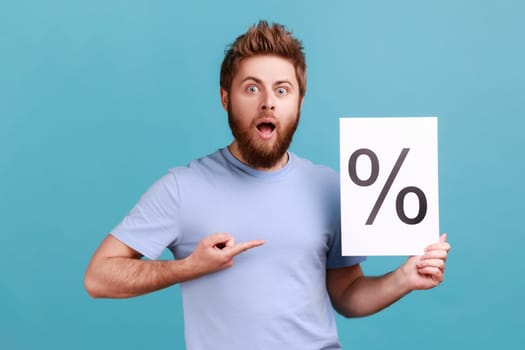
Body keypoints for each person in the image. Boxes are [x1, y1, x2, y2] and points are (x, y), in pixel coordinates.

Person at [84, 21, 451, 349]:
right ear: (225, 98)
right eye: (251, 89)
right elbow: (99, 277)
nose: (267, 104)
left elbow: (347, 295)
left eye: (281, 90)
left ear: (299, 103)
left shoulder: (330, 187)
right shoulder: (181, 188)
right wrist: (188, 268)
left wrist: (405, 277)